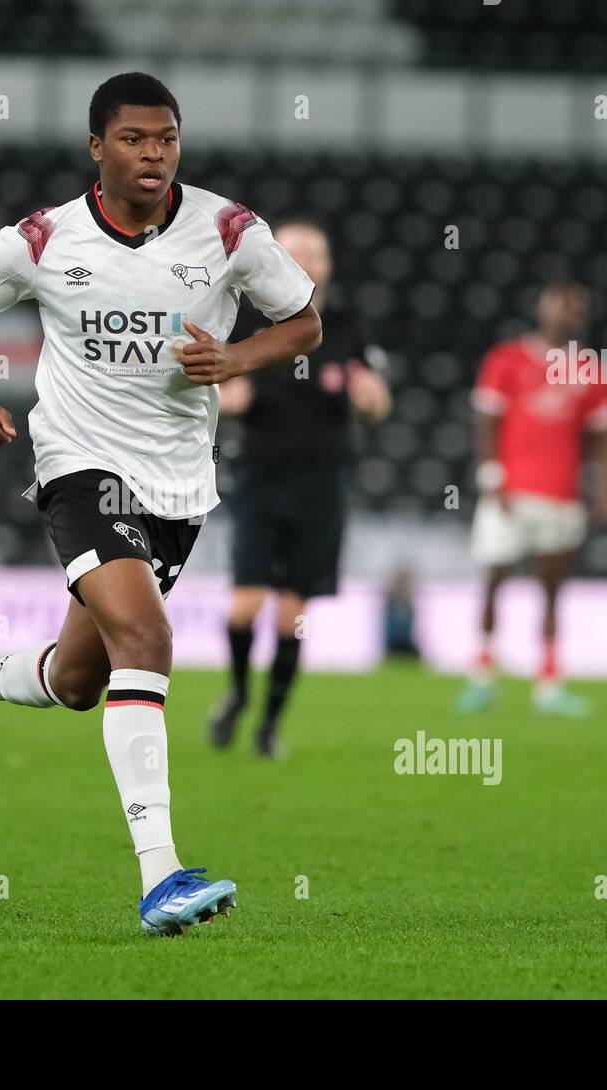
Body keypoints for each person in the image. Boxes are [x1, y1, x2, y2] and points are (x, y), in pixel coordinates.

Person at [0, 72, 321, 936]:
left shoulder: (227, 230)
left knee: (78, 679)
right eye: (134, 139)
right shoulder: (41, 241)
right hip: (80, 466)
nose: (153, 154)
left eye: (167, 139)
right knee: (148, 639)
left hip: (179, 484)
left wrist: (240, 359)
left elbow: (306, 323)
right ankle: (161, 875)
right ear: (96, 147)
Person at [207, 219, 391, 756]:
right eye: (295, 251)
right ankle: (239, 694)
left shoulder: (349, 326)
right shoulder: (247, 321)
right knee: (244, 607)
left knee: (293, 616)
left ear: (328, 265)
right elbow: (220, 391)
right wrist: (226, 397)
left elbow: (379, 403)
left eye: (315, 251)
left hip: (321, 489)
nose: (306, 259)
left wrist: (370, 398)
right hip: (260, 482)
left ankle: (268, 726)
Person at [457, 281, 607, 716]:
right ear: (542, 310)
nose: (567, 315)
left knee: (552, 590)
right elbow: (485, 420)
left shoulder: (589, 368)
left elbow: (605, 435)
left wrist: (605, 486)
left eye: (574, 309)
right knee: (495, 580)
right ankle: (483, 674)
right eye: (560, 307)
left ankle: (548, 683)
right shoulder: (507, 359)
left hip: (560, 495)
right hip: (511, 491)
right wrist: (492, 476)